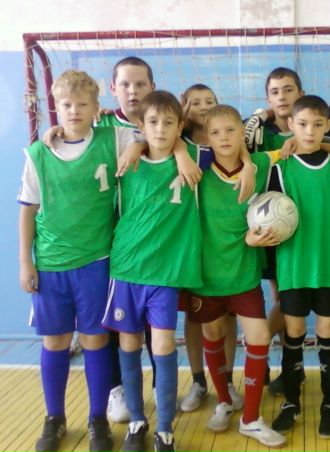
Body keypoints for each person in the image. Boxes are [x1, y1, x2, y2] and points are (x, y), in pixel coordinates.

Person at [18, 69, 138, 452]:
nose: (74, 111)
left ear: (96, 107)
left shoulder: (112, 138)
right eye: (67, 104)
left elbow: (151, 137)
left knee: (95, 339)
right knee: (55, 341)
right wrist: (25, 262)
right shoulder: (39, 153)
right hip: (51, 264)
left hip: (96, 261)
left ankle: (97, 418)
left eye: (82, 104)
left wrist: (134, 147)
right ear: (56, 106)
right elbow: (27, 210)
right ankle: (54, 417)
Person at [101, 90, 204, 452]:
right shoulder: (126, 159)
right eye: (153, 123)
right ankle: (137, 421)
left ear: (180, 126)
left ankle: (164, 429)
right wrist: (136, 145)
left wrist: (181, 151)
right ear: (141, 127)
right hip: (127, 267)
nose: (161, 129)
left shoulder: (192, 157)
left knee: (162, 344)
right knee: (129, 343)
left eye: (169, 123)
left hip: (165, 274)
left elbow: (237, 150)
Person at [181, 105, 286, 447]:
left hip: (244, 275)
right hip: (206, 276)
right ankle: (225, 399)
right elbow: (164, 144)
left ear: (243, 133)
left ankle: (251, 419)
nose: (223, 138)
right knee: (212, 334)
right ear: (206, 138)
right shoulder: (197, 166)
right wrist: (180, 152)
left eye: (230, 131)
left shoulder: (261, 164)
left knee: (259, 337)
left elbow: (293, 145)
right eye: (215, 133)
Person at [269, 95, 330, 439]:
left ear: (328, 126)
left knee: (327, 333)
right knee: (293, 334)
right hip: (294, 266)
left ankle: (329, 405)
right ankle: (291, 402)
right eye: (302, 124)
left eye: (318, 125)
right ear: (290, 125)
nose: (309, 131)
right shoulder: (280, 166)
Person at [177, 84, 242, 413]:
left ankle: (226, 379)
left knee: (228, 315)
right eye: (196, 102)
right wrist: (179, 151)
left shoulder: (227, 143)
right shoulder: (179, 144)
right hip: (191, 245)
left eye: (210, 101)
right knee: (195, 316)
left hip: (227, 248)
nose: (203, 106)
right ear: (184, 108)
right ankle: (199, 380)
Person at [243, 67, 307, 395]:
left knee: (288, 300)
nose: (282, 97)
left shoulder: (311, 124)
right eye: (275, 92)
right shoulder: (259, 131)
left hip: (303, 227)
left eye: (288, 90)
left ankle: (263, 348)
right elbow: (238, 141)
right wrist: (260, 115)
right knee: (281, 298)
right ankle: (284, 364)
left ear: (300, 93)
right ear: (267, 98)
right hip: (268, 224)